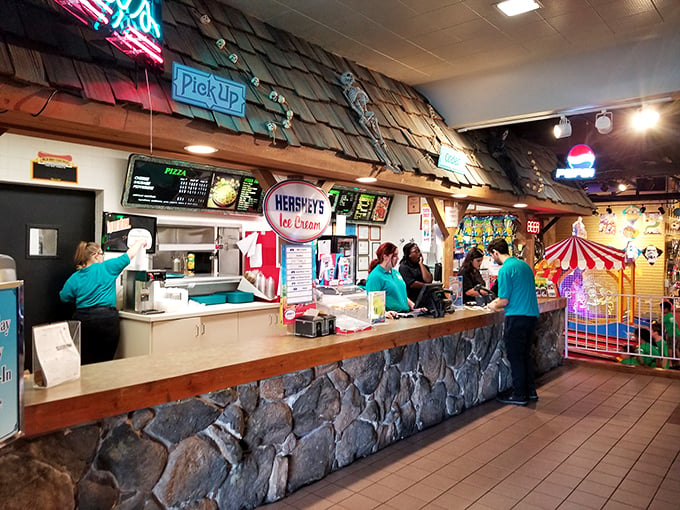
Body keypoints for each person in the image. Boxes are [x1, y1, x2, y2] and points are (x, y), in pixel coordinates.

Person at [60, 239, 147, 364]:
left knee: (84, 361)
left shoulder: (75, 277)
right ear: (95, 255)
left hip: (82, 320)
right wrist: (139, 242)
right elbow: (129, 255)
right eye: (101, 254)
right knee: (105, 362)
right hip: (105, 320)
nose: (103, 257)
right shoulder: (106, 267)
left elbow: (64, 297)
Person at [486, 238, 540, 406]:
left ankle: (519, 394)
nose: (492, 259)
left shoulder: (505, 270)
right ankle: (530, 391)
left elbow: (503, 300)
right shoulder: (524, 265)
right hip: (531, 315)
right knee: (525, 355)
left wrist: (490, 306)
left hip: (516, 317)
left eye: (491, 255)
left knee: (515, 356)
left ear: (495, 252)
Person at [366, 242, 424, 319]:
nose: (398, 258)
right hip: (393, 317)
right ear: (385, 256)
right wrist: (384, 313)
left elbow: (401, 295)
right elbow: (375, 305)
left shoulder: (395, 273)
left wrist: (414, 306)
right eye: (395, 256)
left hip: (405, 315)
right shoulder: (375, 276)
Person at [661, 300, 680, 367]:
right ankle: (678, 362)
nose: (661, 310)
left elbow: (663, 327)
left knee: (670, 349)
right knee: (677, 349)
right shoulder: (671, 315)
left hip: (672, 335)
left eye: (662, 309)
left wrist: (663, 334)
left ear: (665, 309)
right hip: (678, 334)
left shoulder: (665, 317)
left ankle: (670, 363)